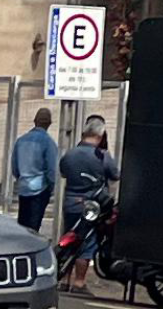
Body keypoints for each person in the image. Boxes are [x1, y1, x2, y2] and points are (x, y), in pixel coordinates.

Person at [59, 121, 120, 293]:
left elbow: (63, 172)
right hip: (91, 206)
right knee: (87, 244)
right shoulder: (102, 155)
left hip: (70, 203)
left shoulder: (69, 154)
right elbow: (115, 175)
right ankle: (79, 283)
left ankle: (64, 280)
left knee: (70, 237)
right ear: (100, 137)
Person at [10, 108, 58, 231]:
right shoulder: (48, 142)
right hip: (40, 189)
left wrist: (21, 178)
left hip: (23, 188)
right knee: (34, 227)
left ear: (34, 121)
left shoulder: (21, 140)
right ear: (49, 124)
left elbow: (15, 168)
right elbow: (52, 169)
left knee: (23, 226)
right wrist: (52, 187)